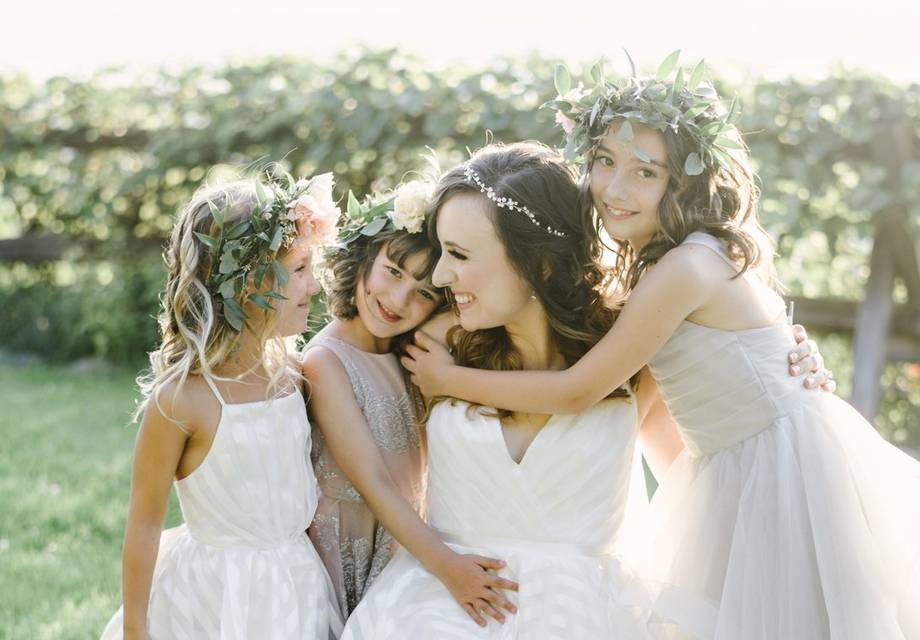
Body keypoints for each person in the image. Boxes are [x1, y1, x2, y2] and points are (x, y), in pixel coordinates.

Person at [404, 56, 920, 639]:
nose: (615, 189)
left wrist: (450, 381)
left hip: (778, 469)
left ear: (685, 182)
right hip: (730, 468)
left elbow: (579, 389)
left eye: (646, 172)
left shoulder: (686, 267)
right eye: (603, 162)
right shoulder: (665, 270)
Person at [343, 142, 829, 639]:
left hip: (590, 618)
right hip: (433, 612)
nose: (442, 276)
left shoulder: (633, 355)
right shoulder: (429, 345)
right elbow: (335, 357)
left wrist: (785, 372)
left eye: (460, 255)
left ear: (540, 265)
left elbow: (693, 477)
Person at [101, 172, 343, 640]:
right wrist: (136, 626)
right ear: (246, 282)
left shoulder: (294, 374)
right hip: (215, 593)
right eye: (299, 269)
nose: (313, 287)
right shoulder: (181, 401)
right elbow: (145, 520)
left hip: (297, 580)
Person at [303, 180, 518, 626]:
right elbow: (374, 482)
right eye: (392, 272)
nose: (398, 301)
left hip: (405, 544)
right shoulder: (325, 363)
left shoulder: (415, 354)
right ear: (364, 257)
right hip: (346, 550)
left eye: (424, 292)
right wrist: (448, 568)